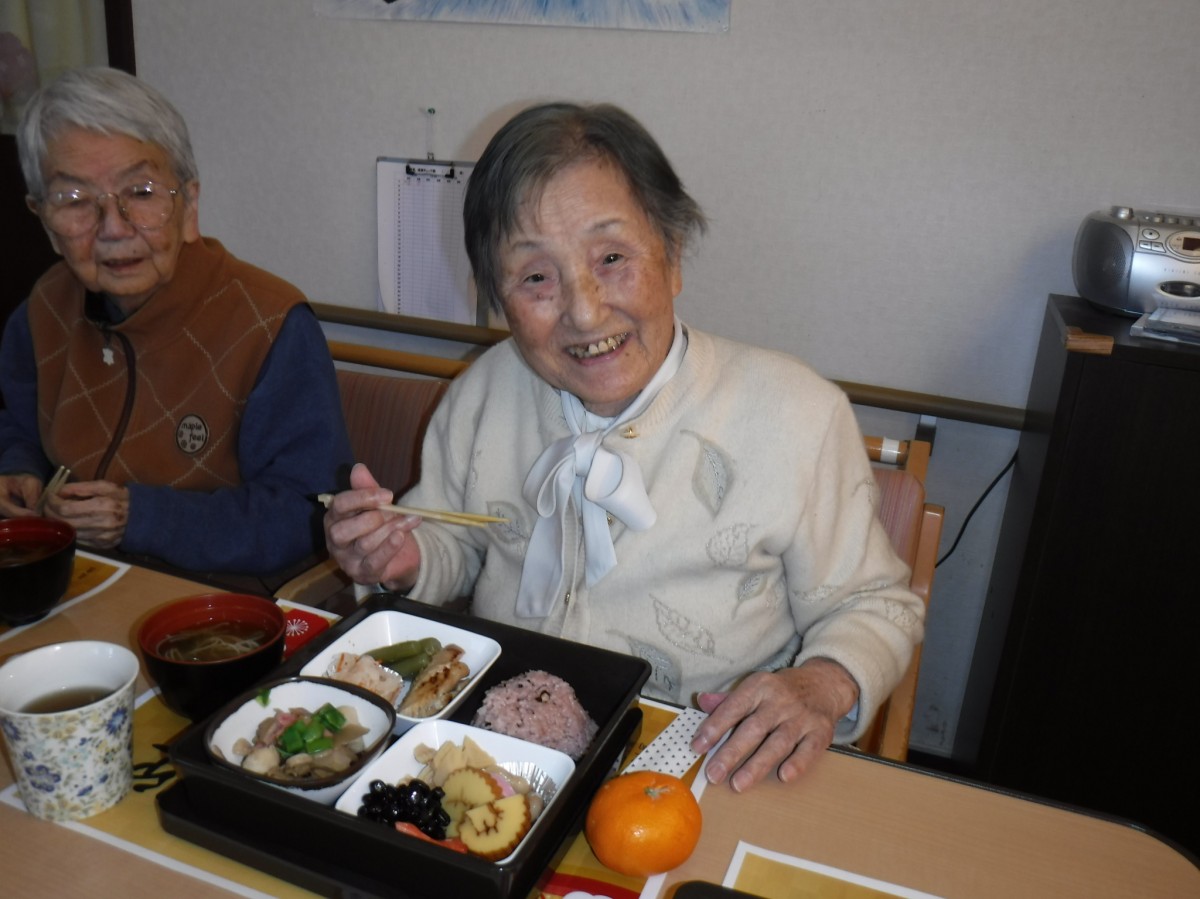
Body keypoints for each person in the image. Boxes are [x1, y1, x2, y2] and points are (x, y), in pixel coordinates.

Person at [322, 102, 924, 791]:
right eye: (535, 277)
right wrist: (400, 558)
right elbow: (453, 545)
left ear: (673, 256)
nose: (584, 310)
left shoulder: (798, 414)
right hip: (496, 750)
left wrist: (820, 683)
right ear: (498, 297)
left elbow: (875, 604)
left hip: (707, 761)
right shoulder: (486, 389)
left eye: (611, 258)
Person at [0, 67, 352, 578]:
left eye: (141, 192)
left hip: (215, 600)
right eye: (75, 201)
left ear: (188, 205)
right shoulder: (44, 308)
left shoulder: (269, 325)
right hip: (69, 578)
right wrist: (19, 467)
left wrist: (143, 519)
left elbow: (309, 513)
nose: (113, 228)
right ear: (45, 221)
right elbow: (18, 423)